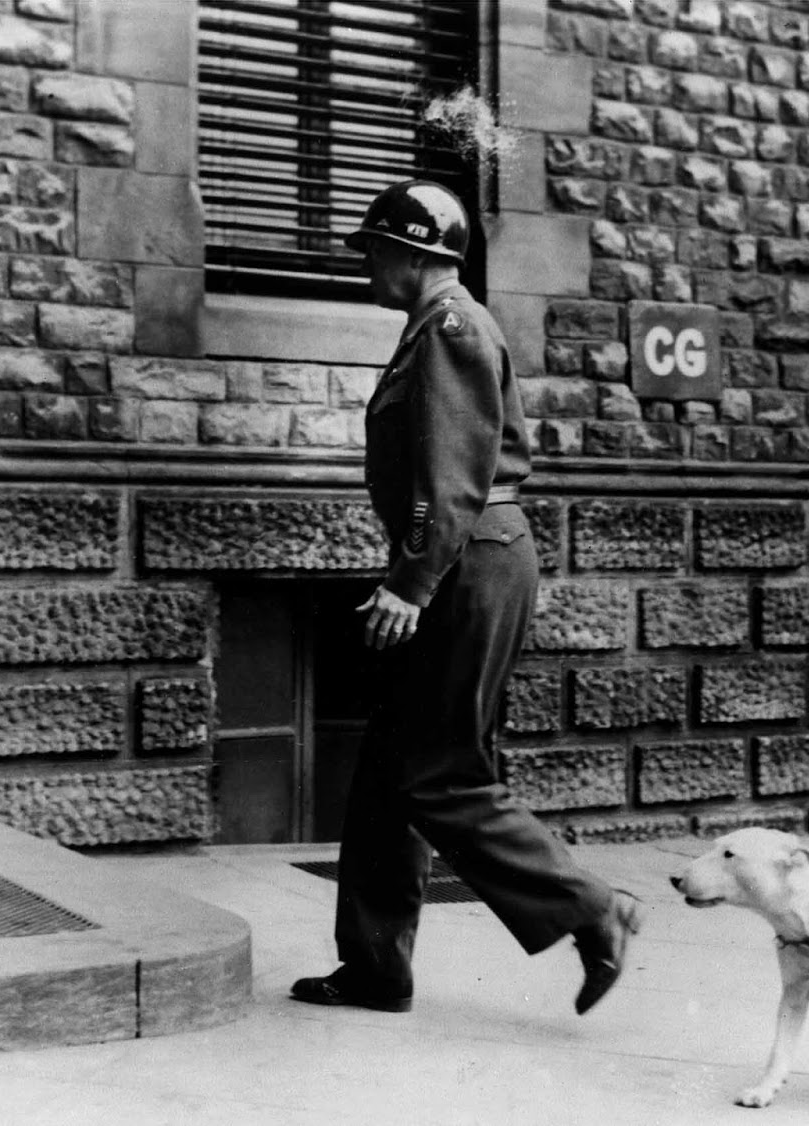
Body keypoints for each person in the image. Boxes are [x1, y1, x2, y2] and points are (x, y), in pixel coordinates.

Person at [291, 179, 640, 1017]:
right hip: (472, 555)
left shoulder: (450, 328)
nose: (366, 262)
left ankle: (593, 906)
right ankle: (376, 967)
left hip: (463, 560)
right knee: (388, 773)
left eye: (374, 247)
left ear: (415, 255)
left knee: (439, 771)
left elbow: (451, 477)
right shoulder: (435, 327)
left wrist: (411, 582)